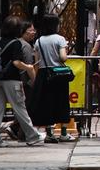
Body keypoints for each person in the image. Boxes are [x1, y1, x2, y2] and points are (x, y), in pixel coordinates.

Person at [0, 16, 43, 147]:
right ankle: (33, 136)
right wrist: (28, 67)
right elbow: (16, 62)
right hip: (12, 80)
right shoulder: (16, 43)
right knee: (20, 108)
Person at [30, 14, 72, 142]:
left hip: (43, 74)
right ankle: (63, 133)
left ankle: (49, 133)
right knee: (62, 102)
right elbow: (63, 57)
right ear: (55, 25)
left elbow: (37, 61)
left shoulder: (39, 41)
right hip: (58, 74)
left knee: (47, 103)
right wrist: (65, 52)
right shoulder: (60, 39)